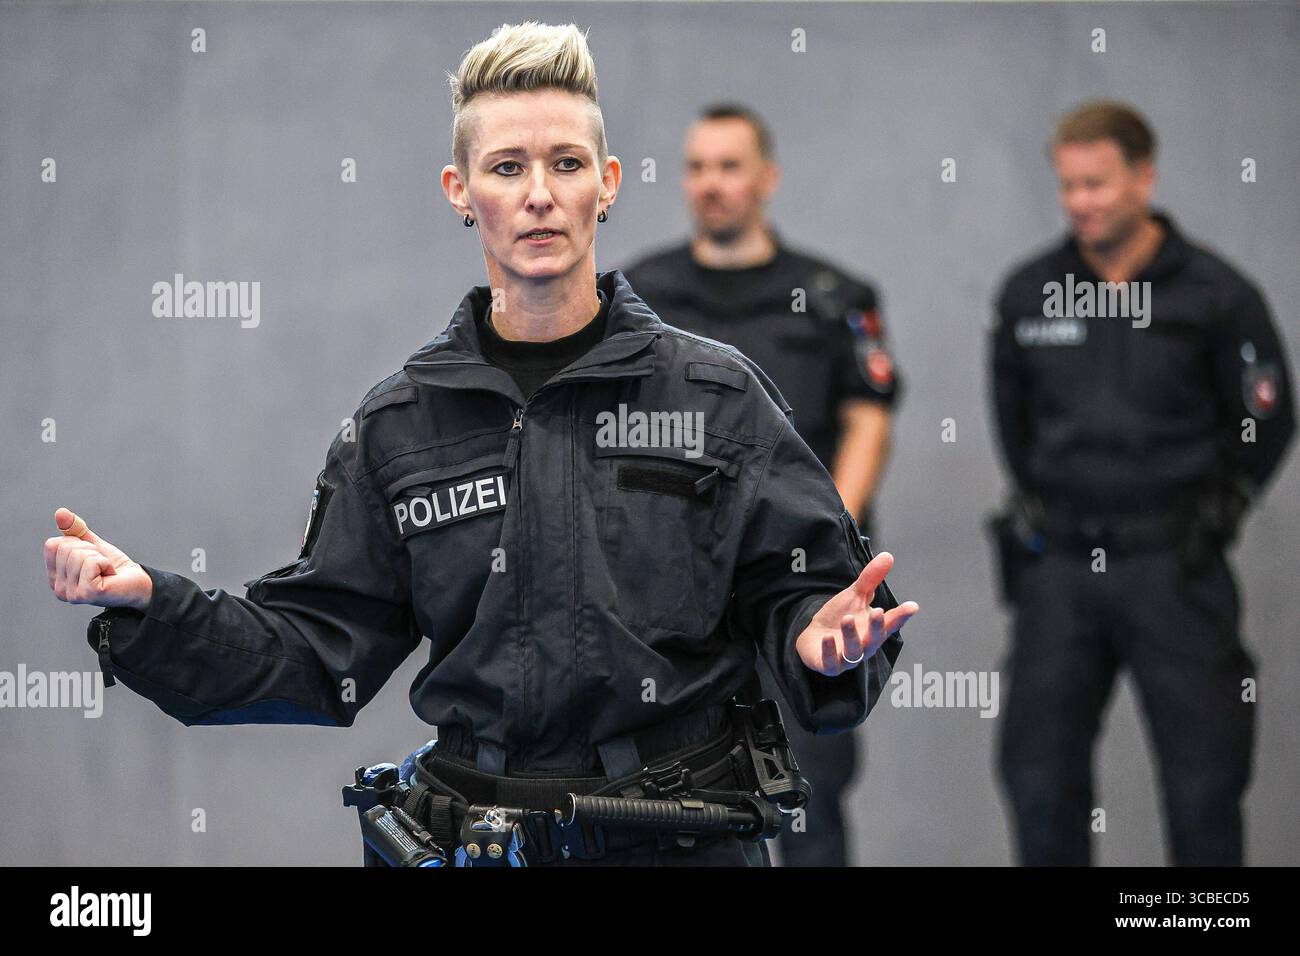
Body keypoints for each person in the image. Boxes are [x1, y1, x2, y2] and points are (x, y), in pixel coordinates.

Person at [43, 21, 918, 867]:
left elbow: (801, 591)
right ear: (462, 190)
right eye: (507, 166)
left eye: (565, 163)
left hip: (682, 840)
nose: (539, 192)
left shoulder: (717, 398)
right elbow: (313, 650)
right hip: (471, 843)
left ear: (605, 183)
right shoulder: (399, 427)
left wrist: (817, 634)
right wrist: (151, 605)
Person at [989, 100, 1294, 866]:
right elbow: (1013, 428)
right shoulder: (1029, 293)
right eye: (1069, 186)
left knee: (1204, 788)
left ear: (1144, 177)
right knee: (1037, 781)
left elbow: (1268, 415)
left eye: (1097, 183)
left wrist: (1223, 506)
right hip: (1059, 568)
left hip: (1173, 568)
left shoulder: (1217, 295)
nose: (1081, 202)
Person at [622, 104, 900, 867]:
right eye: (698, 167)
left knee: (808, 798)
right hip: (675, 596)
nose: (712, 183)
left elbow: (868, 418)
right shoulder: (641, 295)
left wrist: (825, 526)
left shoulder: (835, 295)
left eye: (730, 166)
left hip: (796, 584)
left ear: (767, 178)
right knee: (671, 798)